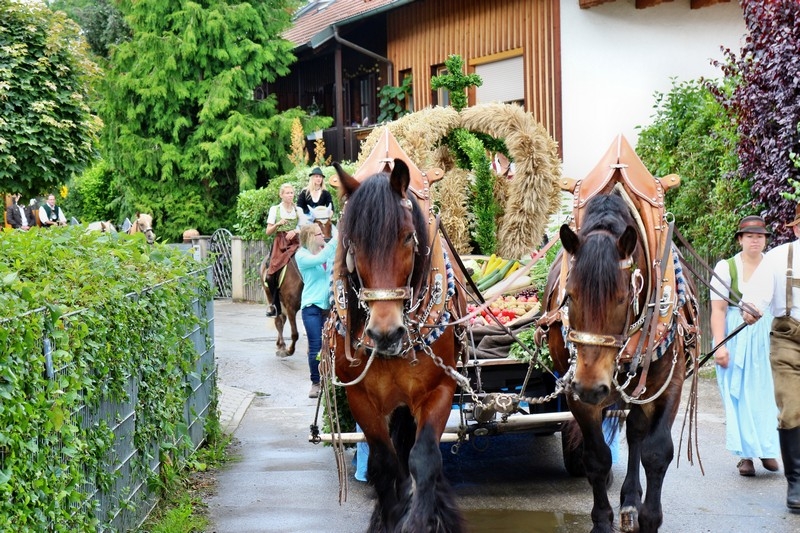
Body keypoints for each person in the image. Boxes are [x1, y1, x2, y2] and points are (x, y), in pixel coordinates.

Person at [710, 215, 780, 476]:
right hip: (735, 334)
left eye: (760, 236)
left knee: (766, 393)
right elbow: (717, 310)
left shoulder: (772, 266)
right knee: (738, 395)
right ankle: (745, 456)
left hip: (765, 336)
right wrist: (720, 346)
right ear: (740, 239)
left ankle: (767, 450)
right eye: (749, 236)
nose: (755, 240)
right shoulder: (727, 267)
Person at [741, 204, 800, 510]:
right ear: (797, 228)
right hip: (789, 343)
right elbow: (756, 296)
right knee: (791, 409)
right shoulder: (779, 258)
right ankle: (797, 483)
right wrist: (751, 308)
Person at [295, 223, 337, 398]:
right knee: (316, 346)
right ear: (311, 238)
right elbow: (319, 259)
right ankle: (316, 383)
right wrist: (337, 239)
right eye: (319, 234)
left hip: (329, 308)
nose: (323, 236)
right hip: (311, 308)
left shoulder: (326, 250)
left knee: (332, 346)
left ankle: (332, 380)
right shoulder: (302, 256)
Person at [264, 183, 306, 317]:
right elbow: (268, 232)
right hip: (280, 242)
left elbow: (305, 227)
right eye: (287, 193)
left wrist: (295, 230)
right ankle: (274, 304)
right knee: (270, 274)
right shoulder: (274, 209)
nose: (290, 195)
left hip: (295, 242)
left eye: (291, 193)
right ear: (281, 195)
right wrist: (278, 224)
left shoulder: (298, 210)